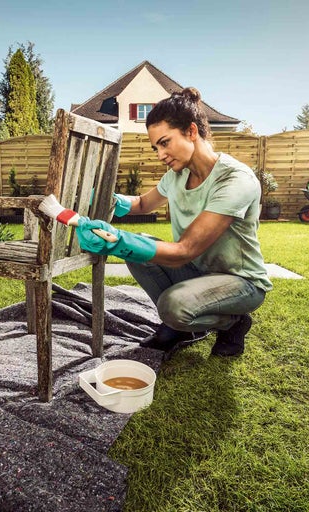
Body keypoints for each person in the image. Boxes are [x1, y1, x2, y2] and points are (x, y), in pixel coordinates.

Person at [75, 87, 272, 358]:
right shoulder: (177, 175)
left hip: (241, 282)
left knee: (173, 305)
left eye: (165, 142)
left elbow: (186, 250)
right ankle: (179, 328)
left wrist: (119, 242)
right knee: (142, 252)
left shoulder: (235, 180)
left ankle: (233, 322)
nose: (160, 154)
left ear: (191, 132)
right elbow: (143, 204)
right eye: (156, 147)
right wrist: (106, 199)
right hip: (198, 272)